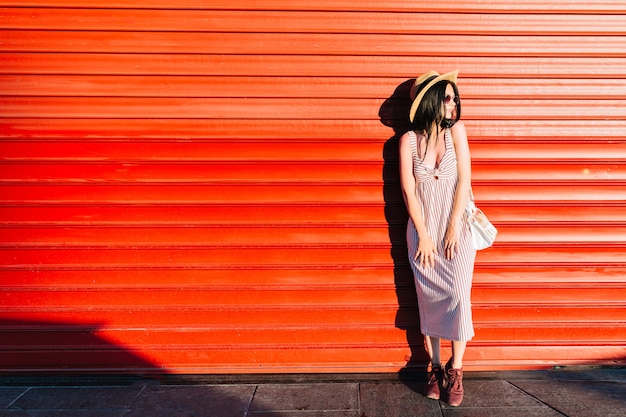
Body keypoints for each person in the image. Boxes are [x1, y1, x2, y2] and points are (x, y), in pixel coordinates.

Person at [398, 70, 476, 407]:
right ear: (429, 100)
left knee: (459, 295)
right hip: (423, 232)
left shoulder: (456, 132)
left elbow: (464, 181)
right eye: (446, 96)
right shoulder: (407, 141)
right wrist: (425, 235)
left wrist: (453, 225)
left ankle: (456, 369)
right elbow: (408, 190)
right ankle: (434, 367)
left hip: (456, 229)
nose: (453, 102)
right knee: (428, 298)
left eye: (454, 97)